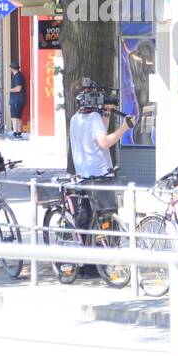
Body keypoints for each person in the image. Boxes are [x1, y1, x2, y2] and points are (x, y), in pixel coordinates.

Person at [69, 87, 131, 274]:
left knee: (87, 218)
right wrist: (124, 128)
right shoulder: (93, 119)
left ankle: (88, 264)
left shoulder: (75, 119)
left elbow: (99, 133)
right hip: (100, 176)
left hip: (83, 175)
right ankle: (102, 262)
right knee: (107, 218)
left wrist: (106, 113)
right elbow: (104, 142)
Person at [8, 62, 26, 138]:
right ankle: (19, 132)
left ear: (12, 69)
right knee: (18, 117)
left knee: (15, 117)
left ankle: (15, 132)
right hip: (19, 100)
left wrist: (9, 90)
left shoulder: (18, 76)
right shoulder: (19, 76)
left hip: (16, 100)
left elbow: (18, 88)